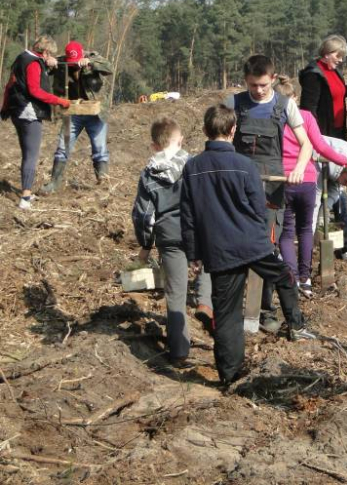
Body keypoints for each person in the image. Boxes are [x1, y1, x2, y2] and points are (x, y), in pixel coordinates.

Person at [180, 105, 315, 384]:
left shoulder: (192, 168)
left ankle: (229, 377)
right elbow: (258, 208)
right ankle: (296, 325)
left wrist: (194, 254)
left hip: (219, 251)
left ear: (205, 130)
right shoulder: (246, 165)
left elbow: (188, 215)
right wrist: (261, 237)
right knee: (285, 277)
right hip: (253, 245)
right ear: (233, 131)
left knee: (227, 314)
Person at [223, 54, 312, 333]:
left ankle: (266, 310)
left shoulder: (285, 105)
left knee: (267, 247)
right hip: (239, 185)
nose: (259, 90)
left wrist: (299, 168)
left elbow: (306, 144)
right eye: (253, 85)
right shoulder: (233, 103)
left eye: (263, 85)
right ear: (245, 81)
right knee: (234, 243)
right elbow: (218, 137)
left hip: (272, 188)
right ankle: (229, 307)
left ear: (273, 78)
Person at [131, 117, 213, 364]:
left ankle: (178, 352)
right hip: (196, 228)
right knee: (207, 265)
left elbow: (144, 215)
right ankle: (204, 302)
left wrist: (146, 245)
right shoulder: (194, 165)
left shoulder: (148, 174)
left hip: (169, 234)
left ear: (154, 146)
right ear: (181, 141)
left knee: (175, 293)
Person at [299, 34, 347, 264]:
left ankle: (339, 245)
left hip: (337, 139)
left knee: (336, 194)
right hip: (323, 143)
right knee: (334, 194)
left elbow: (335, 95)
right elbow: (308, 111)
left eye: (342, 56)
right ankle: (342, 246)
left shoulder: (333, 71)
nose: (340, 60)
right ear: (326, 52)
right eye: (338, 55)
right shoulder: (313, 75)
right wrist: (315, 143)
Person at [277, 78, 347, 296]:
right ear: (295, 97)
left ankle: (291, 278)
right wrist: (344, 160)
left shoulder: (272, 119)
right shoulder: (306, 117)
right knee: (305, 229)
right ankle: (306, 278)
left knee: (286, 233)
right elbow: (320, 146)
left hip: (282, 180)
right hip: (307, 179)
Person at [1, 36, 70, 209]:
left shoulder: (22, 57)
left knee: (27, 154)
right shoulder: (33, 63)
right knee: (31, 155)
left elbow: (10, 85)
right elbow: (35, 91)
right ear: (45, 52)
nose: (50, 57)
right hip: (29, 113)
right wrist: (59, 101)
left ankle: (27, 192)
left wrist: (5, 106)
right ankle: (25, 198)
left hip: (17, 111)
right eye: (50, 54)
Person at [42, 41, 114, 193]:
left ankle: (103, 183)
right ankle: (55, 183)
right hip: (73, 112)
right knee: (62, 147)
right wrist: (49, 63)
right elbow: (42, 70)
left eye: (76, 61)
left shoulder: (93, 57)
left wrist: (90, 63)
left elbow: (109, 67)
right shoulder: (61, 62)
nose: (74, 64)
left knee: (99, 149)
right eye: (71, 61)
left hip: (95, 112)